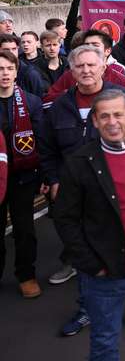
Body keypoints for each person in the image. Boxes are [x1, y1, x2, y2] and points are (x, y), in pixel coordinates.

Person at [39, 44, 125, 337]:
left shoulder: (123, 98)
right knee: (87, 255)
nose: (86, 70)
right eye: (80, 66)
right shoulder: (60, 106)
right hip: (80, 196)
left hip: (122, 190)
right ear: (71, 70)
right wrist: (54, 180)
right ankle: (87, 308)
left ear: (104, 67)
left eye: (92, 65)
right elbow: (48, 150)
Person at [53, 89, 125, 361]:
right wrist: (91, 264)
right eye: (104, 116)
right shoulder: (79, 163)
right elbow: (65, 219)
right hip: (104, 276)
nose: (112, 122)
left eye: (118, 114)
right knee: (105, 342)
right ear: (94, 121)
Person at [0, 50, 45, 298]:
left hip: (23, 176)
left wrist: (44, 176)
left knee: (24, 229)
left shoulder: (31, 102)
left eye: (9, 68)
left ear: (17, 72)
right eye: (0, 69)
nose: (4, 74)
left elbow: (42, 141)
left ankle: (26, 275)